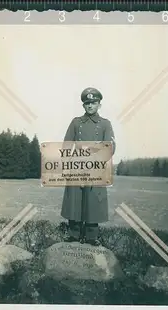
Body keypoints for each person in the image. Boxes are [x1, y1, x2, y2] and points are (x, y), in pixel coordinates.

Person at [61, 87, 116, 246]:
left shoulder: (105, 124)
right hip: (76, 167)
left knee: (93, 201)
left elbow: (110, 147)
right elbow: (66, 144)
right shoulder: (76, 122)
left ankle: (92, 237)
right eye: (87, 103)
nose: (90, 106)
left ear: (99, 104)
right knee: (75, 200)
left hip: (96, 169)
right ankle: (73, 234)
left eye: (93, 103)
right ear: (83, 105)